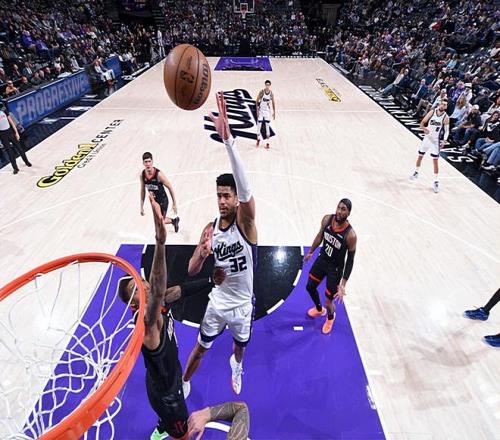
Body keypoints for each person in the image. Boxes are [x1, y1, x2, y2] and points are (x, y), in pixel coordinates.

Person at [118, 194, 219, 440]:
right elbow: (156, 288)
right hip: (168, 395)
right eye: (135, 288)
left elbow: (179, 291)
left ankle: (163, 425)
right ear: (133, 303)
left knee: (169, 417)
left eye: (140, 280)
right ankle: (169, 427)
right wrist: (160, 241)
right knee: (182, 435)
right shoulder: (147, 321)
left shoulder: (158, 302)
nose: (142, 284)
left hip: (163, 378)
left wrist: (210, 280)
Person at [183, 92, 257, 395]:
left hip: (242, 306)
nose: (222, 200)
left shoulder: (246, 224)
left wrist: (229, 142)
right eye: (219, 196)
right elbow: (191, 270)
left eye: (227, 195)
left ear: (236, 198)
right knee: (200, 348)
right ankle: (184, 382)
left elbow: (246, 189)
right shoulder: (209, 229)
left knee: (240, 348)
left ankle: (236, 366)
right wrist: (201, 255)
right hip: (218, 303)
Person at [303, 199, 357, 334]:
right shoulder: (327, 219)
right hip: (322, 260)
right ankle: (319, 309)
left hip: (335, 269)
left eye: (343, 209)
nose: (339, 211)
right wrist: (311, 251)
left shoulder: (350, 235)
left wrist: (343, 284)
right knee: (310, 286)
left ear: (348, 213)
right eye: (338, 207)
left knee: (329, 301)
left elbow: (350, 260)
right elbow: (320, 236)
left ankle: (330, 318)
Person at [409, 98, 450, 193]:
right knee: (420, 156)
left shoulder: (446, 117)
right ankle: (416, 172)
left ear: (446, 107)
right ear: (439, 104)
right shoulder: (432, 112)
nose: (443, 106)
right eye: (442, 104)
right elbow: (422, 123)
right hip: (427, 138)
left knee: (435, 161)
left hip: (435, 141)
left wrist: (444, 140)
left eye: (445, 105)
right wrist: (424, 129)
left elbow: (447, 130)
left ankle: (436, 181)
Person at [140, 152, 180, 232]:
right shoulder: (142, 175)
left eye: (149, 161)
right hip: (154, 201)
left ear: (152, 161)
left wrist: (174, 203)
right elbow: (142, 190)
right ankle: (174, 221)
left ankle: (172, 222)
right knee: (159, 221)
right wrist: (141, 206)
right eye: (146, 162)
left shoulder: (158, 174)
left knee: (160, 221)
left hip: (162, 201)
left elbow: (170, 187)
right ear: (143, 163)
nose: (148, 164)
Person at [0, 102, 31, 174]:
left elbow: (12, 122)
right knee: (9, 152)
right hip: (2, 135)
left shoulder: (4, 111)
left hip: (10, 132)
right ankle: (15, 168)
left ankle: (26, 161)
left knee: (20, 148)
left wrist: (16, 132)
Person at [255, 80, 276, 149]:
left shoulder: (271, 94)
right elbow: (256, 101)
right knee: (259, 126)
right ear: (265, 85)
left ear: (270, 85)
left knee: (267, 127)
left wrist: (274, 112)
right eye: (266, 85)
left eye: (268, 85)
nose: (267, 86)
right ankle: (258, 139)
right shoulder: (262, 92)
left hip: (267, 112)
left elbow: (273, 102)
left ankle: (267, 143)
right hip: (261, 111)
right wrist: (257, 110)